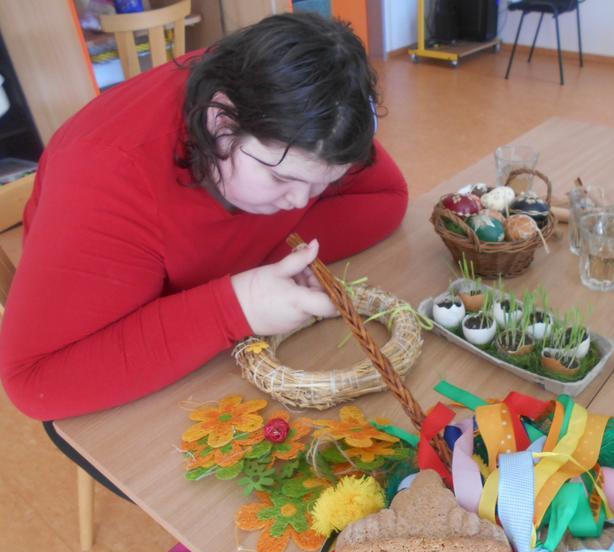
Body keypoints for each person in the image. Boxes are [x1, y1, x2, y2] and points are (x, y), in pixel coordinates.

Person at [0, 13, 408, 423]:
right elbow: (33, 381)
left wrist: (264, 266)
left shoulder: (308, 110)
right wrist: (237, 305)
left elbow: (386, 196)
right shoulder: (107, 177)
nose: (300, 201)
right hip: (111, 302)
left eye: (324, 184)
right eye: (280, 178)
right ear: (220, 121)